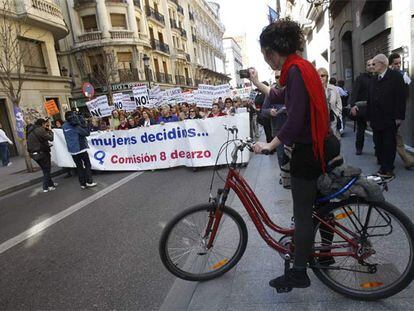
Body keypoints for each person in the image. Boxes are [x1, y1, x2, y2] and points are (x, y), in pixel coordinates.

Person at [250, 19, 331, 290]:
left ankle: (299, 273)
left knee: (304, 212)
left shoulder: (295, 71)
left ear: (273, 50)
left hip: (308, 151)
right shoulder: (300, 67)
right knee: (321, 207)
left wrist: (270, 145)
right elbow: (277, 95)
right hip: (320, 144)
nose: (266, 60)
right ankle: (325, 254)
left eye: (265, 54)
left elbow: (294, 120)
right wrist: (255, 82)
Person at [367, 54, 406, 178]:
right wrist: (368, 117)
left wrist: (399, 116)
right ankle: (384, 164)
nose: (372, 67)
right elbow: (369, 99)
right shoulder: (374, 78)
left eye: (374, 64)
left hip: (390, 118)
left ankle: (387, 169)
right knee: (378, 144)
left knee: (388, 143)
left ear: (382, 64)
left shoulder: (395, 77)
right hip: (376, 118)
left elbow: (401, 98)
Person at [388, 52, 414, 169]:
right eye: (396, 63)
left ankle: (407, 160)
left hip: (396, 112)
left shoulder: (403, 76)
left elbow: (406, 94)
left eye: (400, 63)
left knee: (396, 136)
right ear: (390, 64)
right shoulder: (387, 76)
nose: (398, 65)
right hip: (387, 112)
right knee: (392, 137)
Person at [62, 111, 97, 189]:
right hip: (81, 148)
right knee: (87, 164)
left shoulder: (64, 126)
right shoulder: (76, 126)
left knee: (79, 167)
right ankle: (89, 181)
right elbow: (86, 133)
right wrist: (86, 124)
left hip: (72, 150)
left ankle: (82, 184)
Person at [349, 59, 375, 155]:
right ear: (366, 67)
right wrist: (353, 106)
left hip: (374, 109)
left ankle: (378, 151)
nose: (371, 66)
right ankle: (359, 148)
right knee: (361, 130)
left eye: (373, 64)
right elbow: (354, 92)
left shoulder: (378, 77)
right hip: (363, 109)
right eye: (369, 65)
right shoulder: (360, 78)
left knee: (376, 130)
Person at [27, 118, 57, 192]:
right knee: (47, 170)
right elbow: (51, 138)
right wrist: (50, 130)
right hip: (42, 153)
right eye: (45, 124)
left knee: (45, 169)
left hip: (33, 154)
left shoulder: (30, 130)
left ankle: (51, 184)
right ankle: (45, 187)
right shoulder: (40, 130)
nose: (45, 125)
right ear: (42, 124)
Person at [318, 67, 342, 140]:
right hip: (320, 119)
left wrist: (337, 113)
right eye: (318, 75)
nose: (320, 77)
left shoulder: (333, 88)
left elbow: (339, 102)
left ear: (327, 77)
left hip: (333, 117)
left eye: (322, 75)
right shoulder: (315, 89)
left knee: (334, 139)